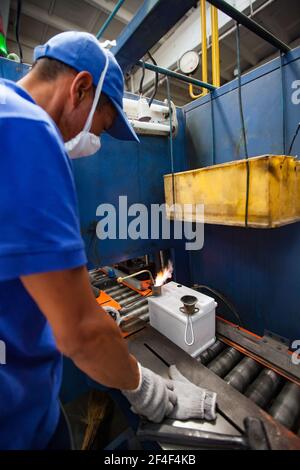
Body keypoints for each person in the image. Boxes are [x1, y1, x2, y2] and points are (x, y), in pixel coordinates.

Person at [0, 31, 216, 450]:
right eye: (100, 125)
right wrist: (147, 390)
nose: (94, 143)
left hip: (27, 396)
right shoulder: (27, 131)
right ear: (80, 87)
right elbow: (79, 332)